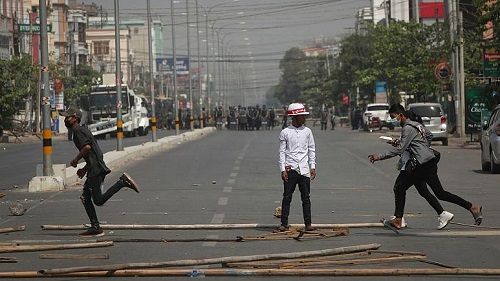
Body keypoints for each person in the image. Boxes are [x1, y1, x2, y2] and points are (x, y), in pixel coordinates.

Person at [368, 105, 483, 231]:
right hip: (427, 162)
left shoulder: (407, 128)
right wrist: (420, 147)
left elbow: (400, 149)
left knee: (400, 187)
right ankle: (466, 208)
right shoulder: (417, 125)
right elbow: (428, 136)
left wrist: (379, 156)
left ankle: (398, 219)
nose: (392, 119)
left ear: (400, 115)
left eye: (393, 116)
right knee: (433, 192)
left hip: (422, 164)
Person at [61, 107, 140, 237]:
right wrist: (84, 169)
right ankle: (95, 227)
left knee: (98, 201)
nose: (65, 120)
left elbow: (87, 148)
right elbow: (92, 153)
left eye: (67, 117)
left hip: (96, 170)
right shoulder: (81, 130)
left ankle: (122, 182)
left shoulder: (79, 131)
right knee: (86, 198)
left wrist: (75, 160)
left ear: (75, 118)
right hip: (94, 167)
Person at [278, 103, 317, 232]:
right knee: (287, 196)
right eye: (302, 116)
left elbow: (311, 149)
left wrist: (312, 166)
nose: (304, 118)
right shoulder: (285, 132)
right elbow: (282, 152)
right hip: (291, 168)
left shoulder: (307, 132)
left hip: (304, 168)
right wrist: (282, 169)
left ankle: (308, 223)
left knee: (306, 197)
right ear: (295, 117)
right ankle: (284, 223)